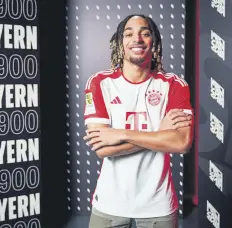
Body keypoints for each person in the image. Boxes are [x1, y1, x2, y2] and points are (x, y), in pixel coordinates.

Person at [83, 14, 194, 228]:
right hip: (110, 203)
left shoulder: (174, 85)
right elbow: (101, 149)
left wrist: (121, 133)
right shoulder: (99, 83)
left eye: (145, 33)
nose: (137, 39)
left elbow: (182, 143)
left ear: (155, 42)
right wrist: (159, 134)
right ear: (120, 42)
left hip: (158, 205)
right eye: (129, 33)